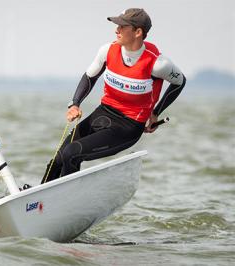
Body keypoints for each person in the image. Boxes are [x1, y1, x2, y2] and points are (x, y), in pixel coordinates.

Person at [41, 8, 186, 184]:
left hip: (128, 126)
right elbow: (90, 76)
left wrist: (155, 112)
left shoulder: (157, 64)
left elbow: (179, 82)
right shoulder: (107, 51)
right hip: (103, 113)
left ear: (138, 32)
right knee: (58, 158)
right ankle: (35, 203)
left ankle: (63, 202)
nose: (116, 30)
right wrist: (75, 104)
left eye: (122, 26)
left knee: (72, 154)